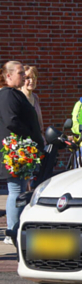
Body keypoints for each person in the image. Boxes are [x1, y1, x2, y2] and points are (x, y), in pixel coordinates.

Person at [1, 60, 44, 244]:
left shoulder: (14, 94)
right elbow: (11, 121)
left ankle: (16, 228)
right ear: (8, 76)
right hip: (16, 151)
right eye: (20, 73)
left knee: (20, 189)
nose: (24, 76)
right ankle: (11, 231)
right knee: (16, 190)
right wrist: (29, 135)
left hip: (21, 150)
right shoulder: (8, 95)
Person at [22, 66, 44, 130]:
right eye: (28, 78)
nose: (32, 81)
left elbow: (40, 123)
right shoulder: (18, 97)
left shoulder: (35, 97)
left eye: (34, 78)